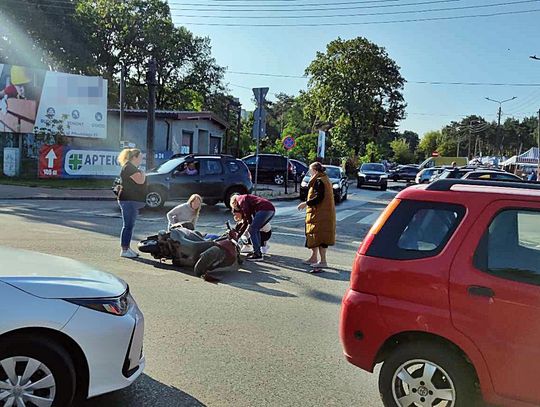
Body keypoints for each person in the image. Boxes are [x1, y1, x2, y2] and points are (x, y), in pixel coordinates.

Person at [297, 162, 336, 272]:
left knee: (321, 237)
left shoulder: (320, 181)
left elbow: (319, 198)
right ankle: (313, 258)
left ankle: (323, 261)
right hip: (319, 213)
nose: (309, 172)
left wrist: (306, 203)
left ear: (315, 170)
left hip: (321, 213)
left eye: (310, 170)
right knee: (314, 235)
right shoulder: (323, 178)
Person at [117, 148, 147, 258]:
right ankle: (124, 250)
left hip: (131, 200)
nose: (141, 160)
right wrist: (142, 173)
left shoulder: (132, 168)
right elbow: (141, 181)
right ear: (134, 157)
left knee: (130, 225)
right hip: (128, 200)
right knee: (128, 225)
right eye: (140, 157)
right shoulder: (129, 168)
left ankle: (127, 248)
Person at [230, 194, 275, 261]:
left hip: (264, 209)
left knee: (252, 230)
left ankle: (257, 254)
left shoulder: (241, 200)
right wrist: (238, 236)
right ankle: (258, 252)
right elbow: (246, 221)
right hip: (270, 209)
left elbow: (248, 218)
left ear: (234, 202)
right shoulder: (245, 198)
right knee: (255, 229)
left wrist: (239, 234)